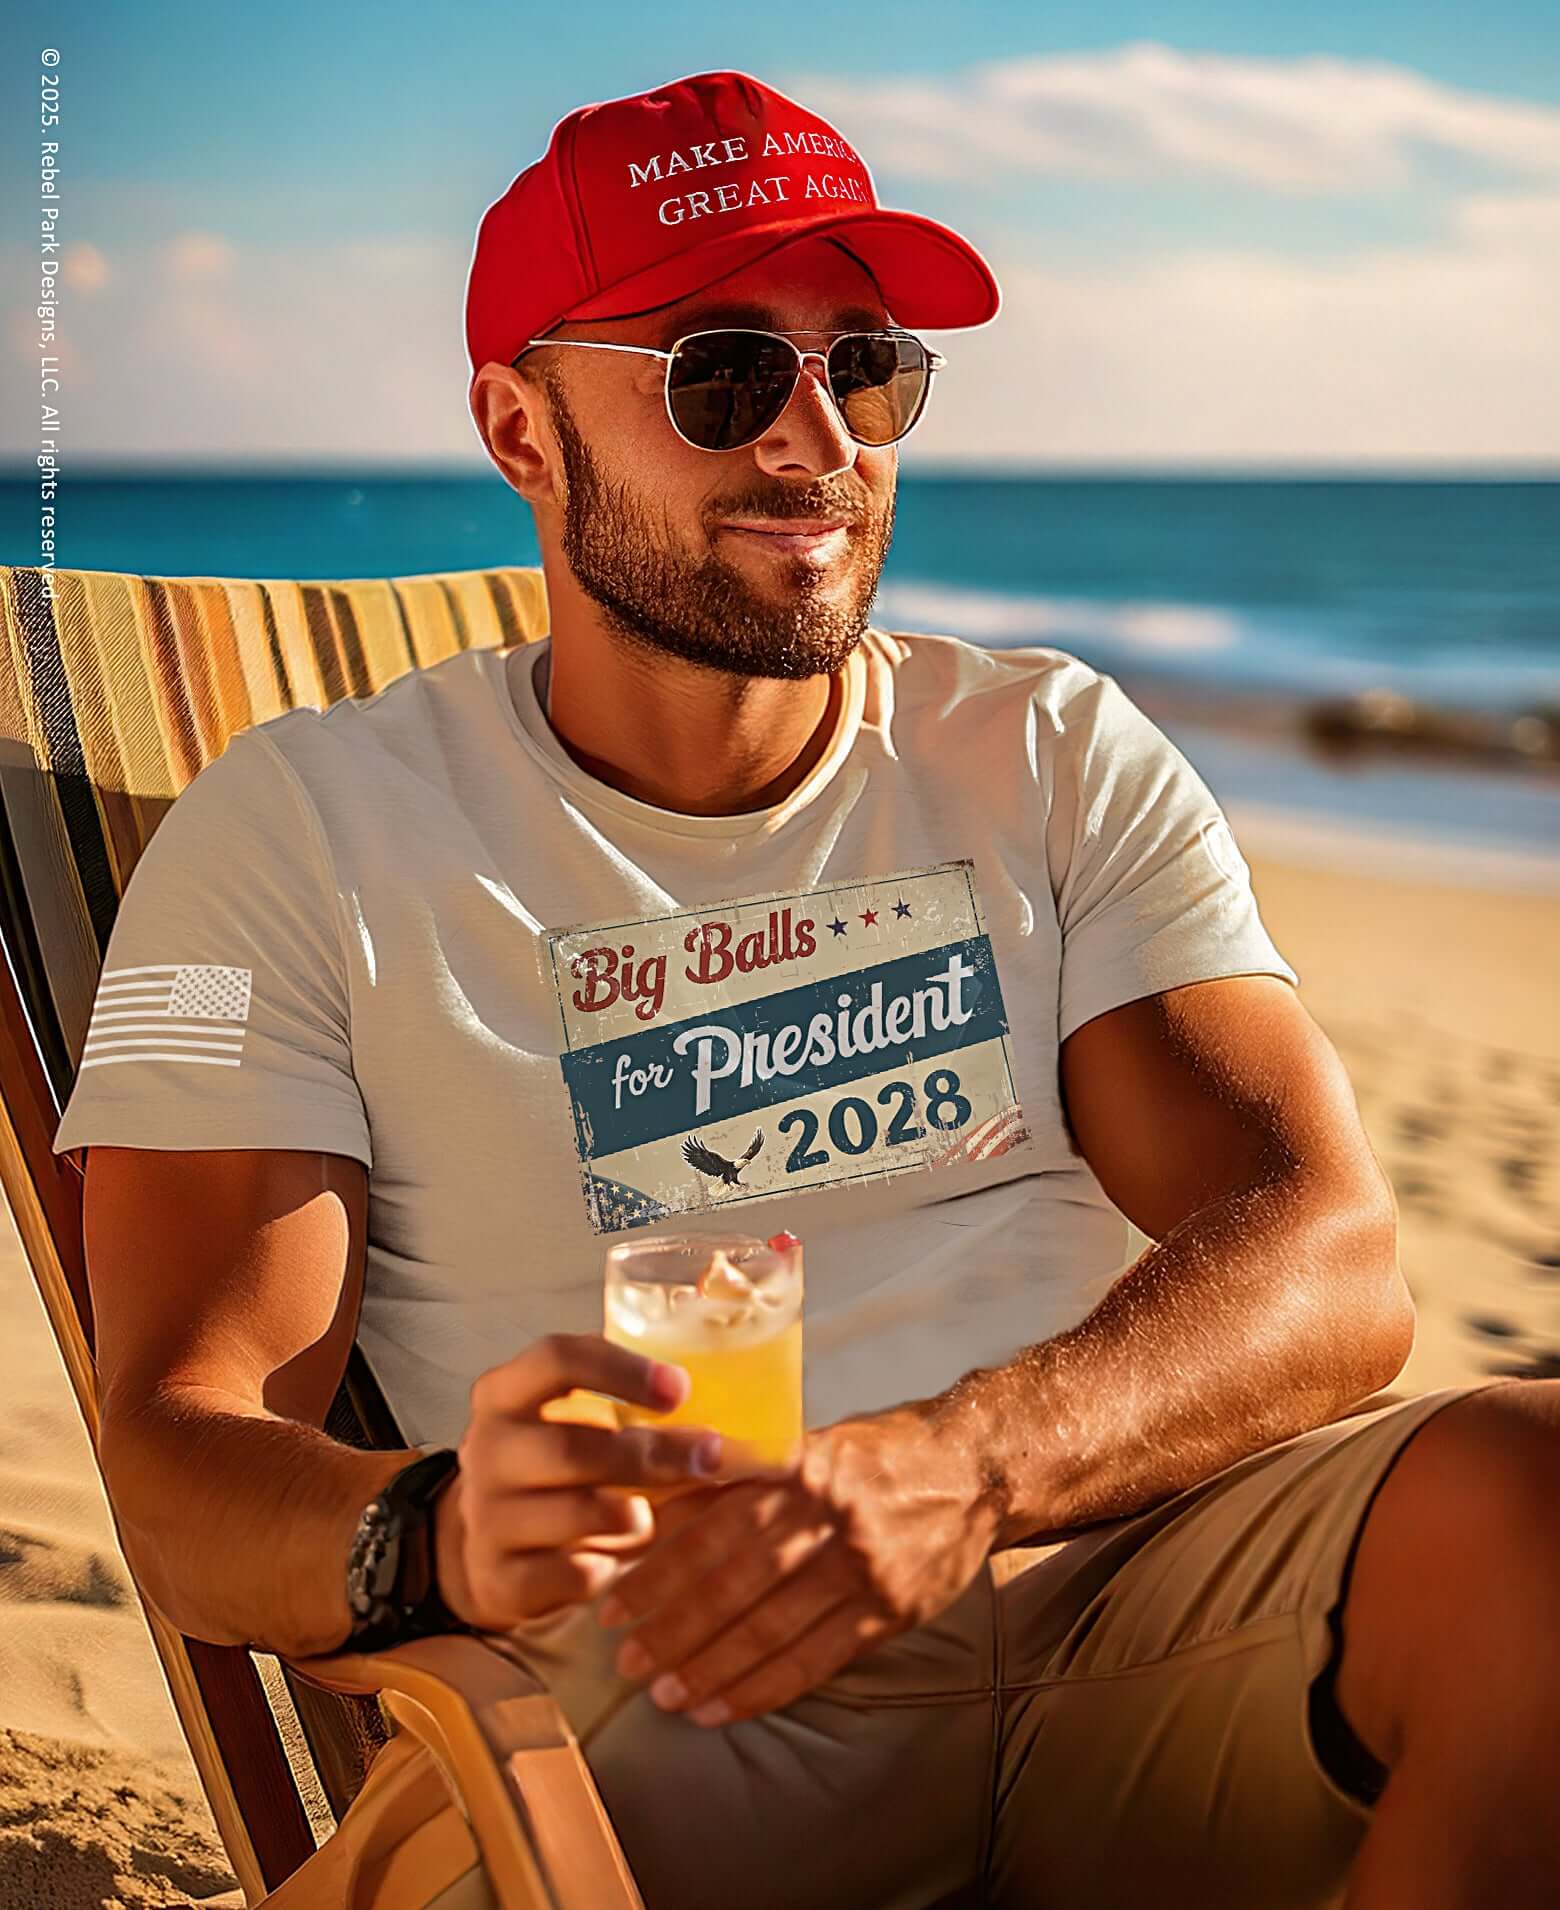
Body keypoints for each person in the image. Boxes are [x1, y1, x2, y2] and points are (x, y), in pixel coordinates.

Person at [54, 69, 1557, 1910]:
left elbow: (1331, 1256)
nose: (819, 442)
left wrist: (962, 1466)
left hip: (1126, 1605)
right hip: (674, 1695)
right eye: (720, 372)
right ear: (521, 433)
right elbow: (180, 1456)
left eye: (866, 365)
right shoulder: (301, 836)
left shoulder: (1048, 749)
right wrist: (434, 1532)